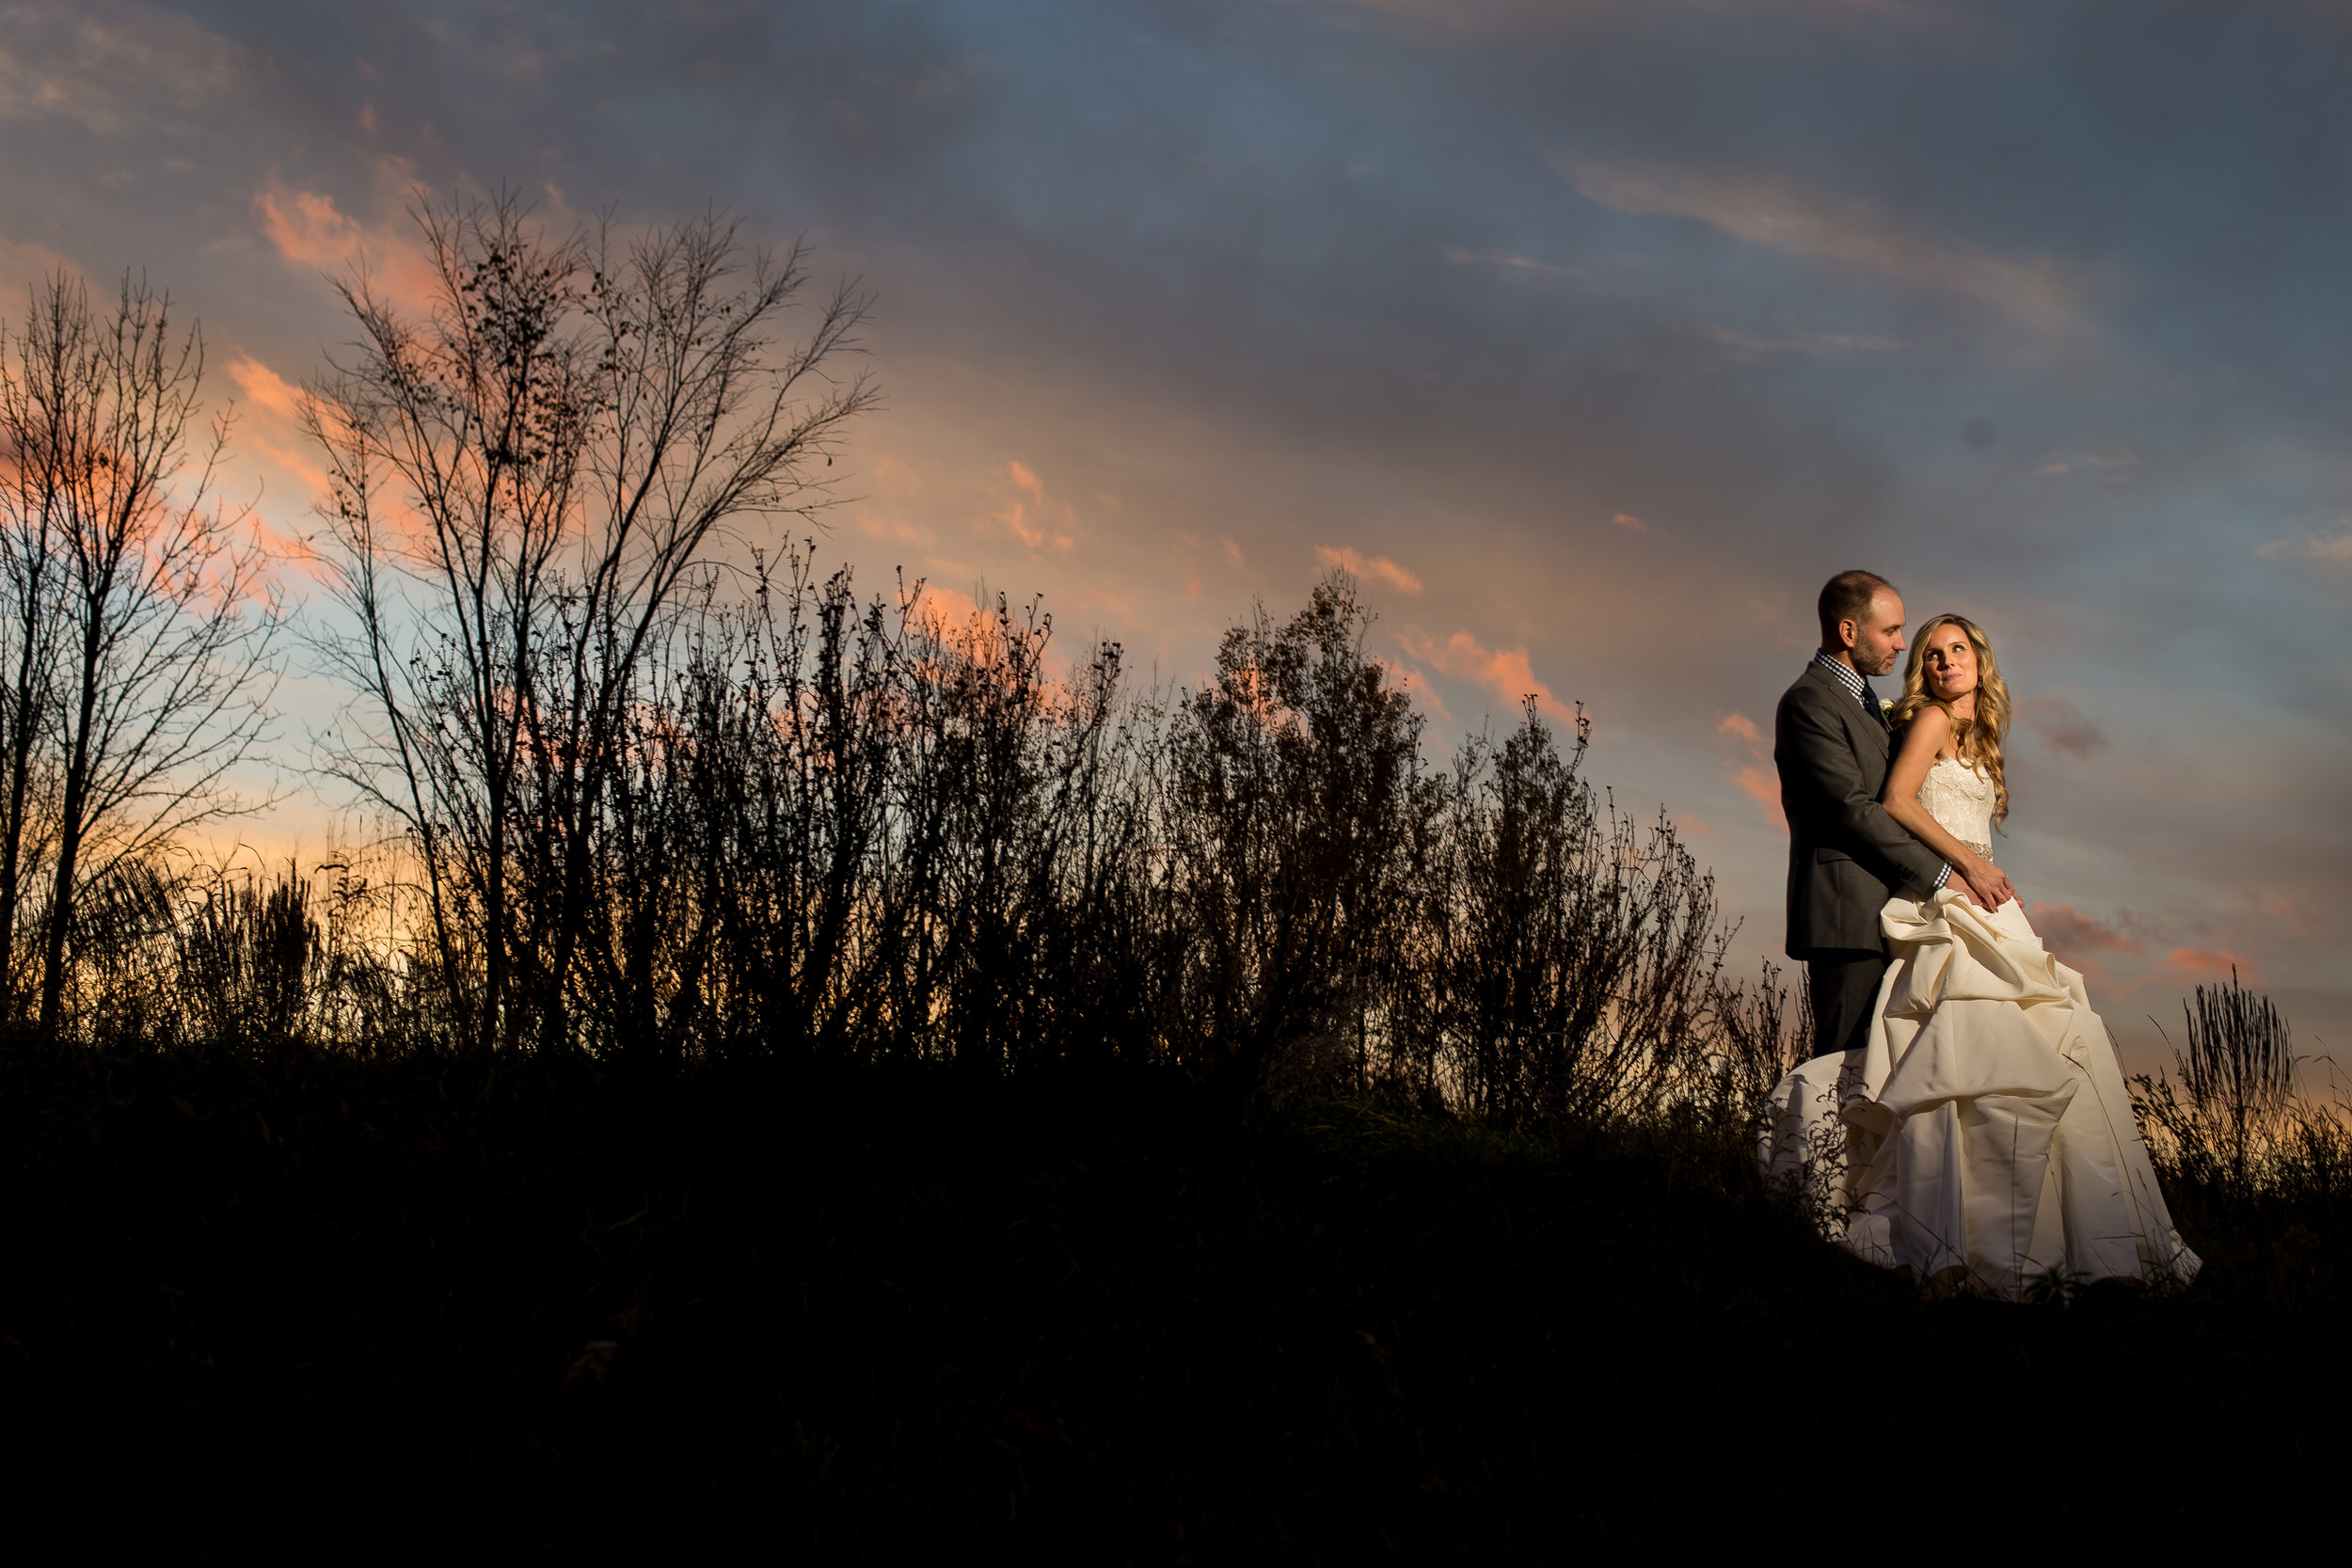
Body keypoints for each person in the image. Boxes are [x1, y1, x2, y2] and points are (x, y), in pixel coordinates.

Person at [1761, 601, 2200, 1296]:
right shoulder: (1931, 719)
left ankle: (2046, 1239)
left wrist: (1988, 878)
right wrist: (1968, 865)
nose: (1942, 660)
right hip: (1952, 902)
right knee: (1961, 1072)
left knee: (2040, 1054)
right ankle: (1955, 1241)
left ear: (1979, 660)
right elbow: (1899, 800)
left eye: (1956, 649)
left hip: (1993, 908)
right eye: (1930, 653)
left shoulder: (1982, 734)